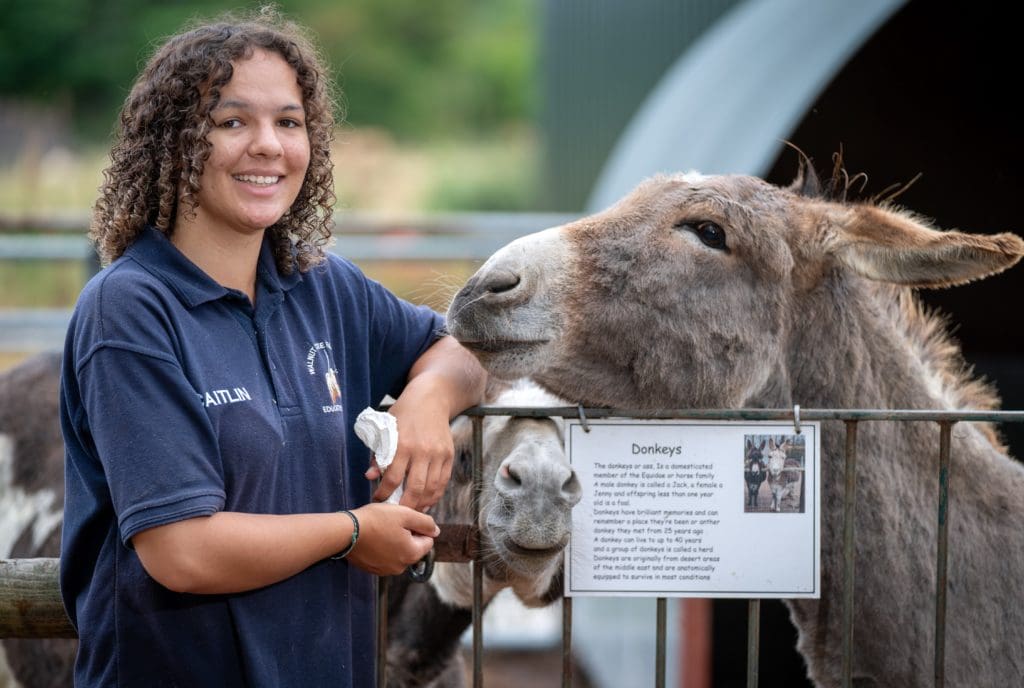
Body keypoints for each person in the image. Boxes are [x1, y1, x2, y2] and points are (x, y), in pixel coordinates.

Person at [58, 10, 486, 687]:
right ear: (173, 143)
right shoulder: (130, 308)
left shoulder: (323, 285)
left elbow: (463, 349)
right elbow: (182, 551)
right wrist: (352, 532)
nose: (268, 145)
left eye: (289, 122)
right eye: (232, 122)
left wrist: (427, 400)